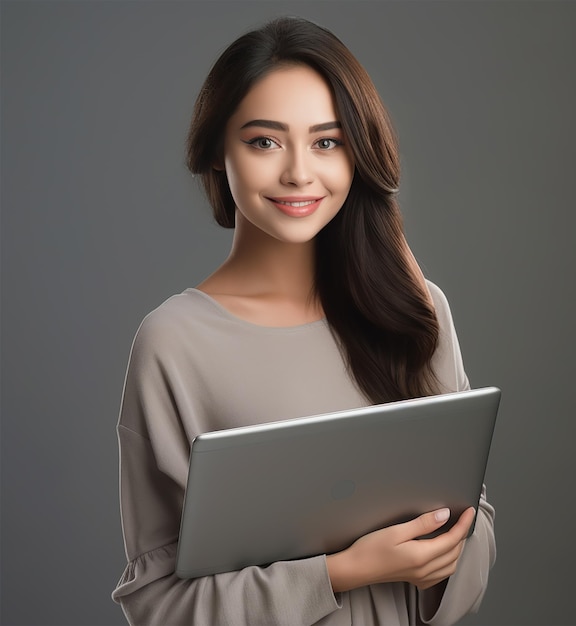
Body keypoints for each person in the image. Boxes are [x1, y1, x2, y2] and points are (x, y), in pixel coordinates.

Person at [112, 16, 496, 626]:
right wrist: (343, 571)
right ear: (217, 149)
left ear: (359, 152)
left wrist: (441, 548)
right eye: (264, 141)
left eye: (328, 141)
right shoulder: (173, 345)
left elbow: (471, 533)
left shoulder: (415, 309)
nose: (298, 172)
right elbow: (160, 605)